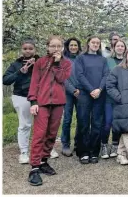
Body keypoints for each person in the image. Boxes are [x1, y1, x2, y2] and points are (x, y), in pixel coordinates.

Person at [27, 36, 72, 186]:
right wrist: (33, 101)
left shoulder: (66, 63)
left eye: (59, 46)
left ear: (62, 48)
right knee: (39, 135)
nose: (56, 49)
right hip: (42, 103)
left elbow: (61, 78)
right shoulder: (40, 62)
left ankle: (43, 161)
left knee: (52, 134)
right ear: (47, 47)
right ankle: (34, 168)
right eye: (53, 46)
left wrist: (58, 63)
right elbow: (34, 82)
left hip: (58, 103)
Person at [3, 39, 40, 164]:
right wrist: (20, 71)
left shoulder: (40, 62)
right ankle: (24, 152)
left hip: (39, 97)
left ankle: (44, 149)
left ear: (35, 49)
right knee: (25, 124)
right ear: (21, 49)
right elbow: (6, 80)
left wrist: (36, 66)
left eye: (30, 48)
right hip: (21, 97)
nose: (28, 51)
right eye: (25, 48)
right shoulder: (15, 64)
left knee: (42, 124)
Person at [75, 36, 109, 164]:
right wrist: (91, 90)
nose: (95, 44)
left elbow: (106, 75)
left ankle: (94, 152)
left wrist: (99, 89)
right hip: (84, 94)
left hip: (99, 95)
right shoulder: (81, 58)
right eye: (93, 42)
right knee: (83, 123)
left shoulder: (103, 60)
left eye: (97, 43)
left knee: (97, 124)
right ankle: (83, 152)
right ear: (88, 44)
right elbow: (80, 75)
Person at [100, 39, 127, 159]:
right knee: (108, 122)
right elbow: (105, 77)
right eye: (118, 46)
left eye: (122, 46)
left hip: (122, 97)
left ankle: (115, 145)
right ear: (113, 47)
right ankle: (104, 144)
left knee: (117, 122)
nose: (120, 48)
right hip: (109, 96)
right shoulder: (108, 61)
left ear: (125, 48)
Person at [61, 37, 82, 157]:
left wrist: (80, 90)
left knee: (81, 119)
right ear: (67, 46)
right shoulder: (63, 59)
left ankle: (78, 143)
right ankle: (65, 144)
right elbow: (63, 78)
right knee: (67, 119)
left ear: (78, 46)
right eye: (71, 45)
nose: (73, 47)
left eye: (75, 45)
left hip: (80, 92)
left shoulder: (81, 59)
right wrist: (73, 90)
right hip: (67, 93)